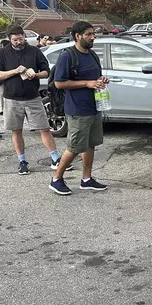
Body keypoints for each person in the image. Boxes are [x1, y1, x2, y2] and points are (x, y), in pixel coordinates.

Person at [0, 25, 69, 175]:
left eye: (21, 39)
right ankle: (22, 161)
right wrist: (15, 71)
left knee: (44, 129)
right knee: (16, 131)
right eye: (15, 40)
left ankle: (55, 158)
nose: (18, 42)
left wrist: (35, 75)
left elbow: (46, 71)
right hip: (11, 98)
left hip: (32, 97)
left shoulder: (34, 51)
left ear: (24, 37)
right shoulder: (2, 53)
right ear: (10, 39)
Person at [48, 21, 108, 195]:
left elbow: (95, 77)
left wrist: (101, 80)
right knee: (74, 147)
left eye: (93, 34)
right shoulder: (68, 56)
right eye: (89, 34)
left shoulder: (92, 55)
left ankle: (87, 179)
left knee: (91, 144)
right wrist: (87, 83)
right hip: (77, 109)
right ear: (77, 36)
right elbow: (59, 83)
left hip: (94, 106)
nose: (93, 37)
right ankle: (56, 179)